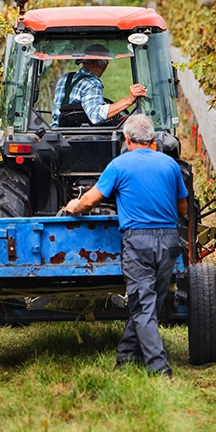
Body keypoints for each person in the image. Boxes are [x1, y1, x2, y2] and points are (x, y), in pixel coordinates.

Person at [64, 114, 188, 378]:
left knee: (144, 304)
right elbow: (183, 207)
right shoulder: (170, 165)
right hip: (169, 240)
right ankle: (126, 357)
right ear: (153, 140)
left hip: (138, 241)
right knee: (150, 301)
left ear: (126, 139)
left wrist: (73, 206)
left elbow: (89, 202)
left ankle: (158, 368)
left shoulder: (119, 166)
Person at [51, 43, 147, 127]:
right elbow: (95, 116)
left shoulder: (65, 78)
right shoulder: (92, 83)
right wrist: (128, 100)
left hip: (56, 134)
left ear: (82, 61)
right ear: (105, 65)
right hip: (80, 139)